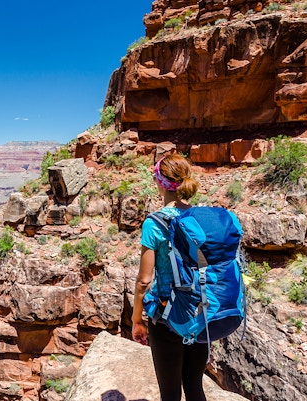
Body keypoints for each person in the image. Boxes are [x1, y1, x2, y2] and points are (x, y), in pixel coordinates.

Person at [131, 153, 208, 401]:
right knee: (195, 387)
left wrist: (137, 319)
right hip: (200, 313)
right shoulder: (200, 218)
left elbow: (144, 280)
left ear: (159, 182)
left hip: (167, 317)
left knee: (171, 394)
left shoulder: (154, 223)